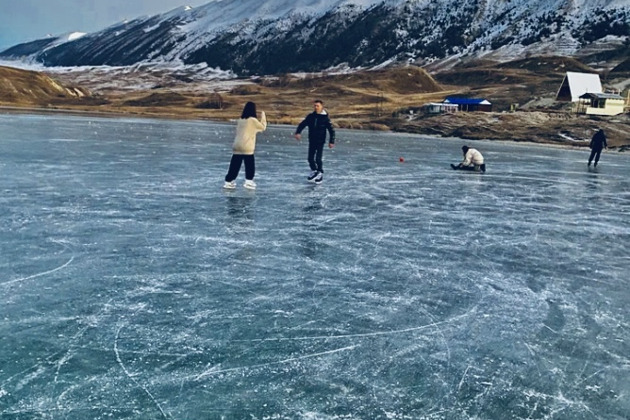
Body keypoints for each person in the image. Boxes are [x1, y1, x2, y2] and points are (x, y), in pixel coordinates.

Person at [223, 102, 267, 190]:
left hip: (237, 145)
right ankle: (249, 181)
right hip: (247, 147)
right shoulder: (252, 121)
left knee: (235, 165)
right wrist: (263, 116)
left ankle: (229, 181)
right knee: (249, 164)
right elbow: (263, 127)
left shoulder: (240, 120)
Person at [294, 99, 336, 184]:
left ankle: (320, 173)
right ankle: (314, 170)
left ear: (321, 107)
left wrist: (331, 141)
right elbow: (303, 124)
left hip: (320, 141)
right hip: (312, 140)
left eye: (318, 106)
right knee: (310, 158)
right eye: (315, 106)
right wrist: (298, 132)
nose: (316, 107)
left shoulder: (325, 118)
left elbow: (331, 130)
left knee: (318, 158)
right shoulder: (311, 116)